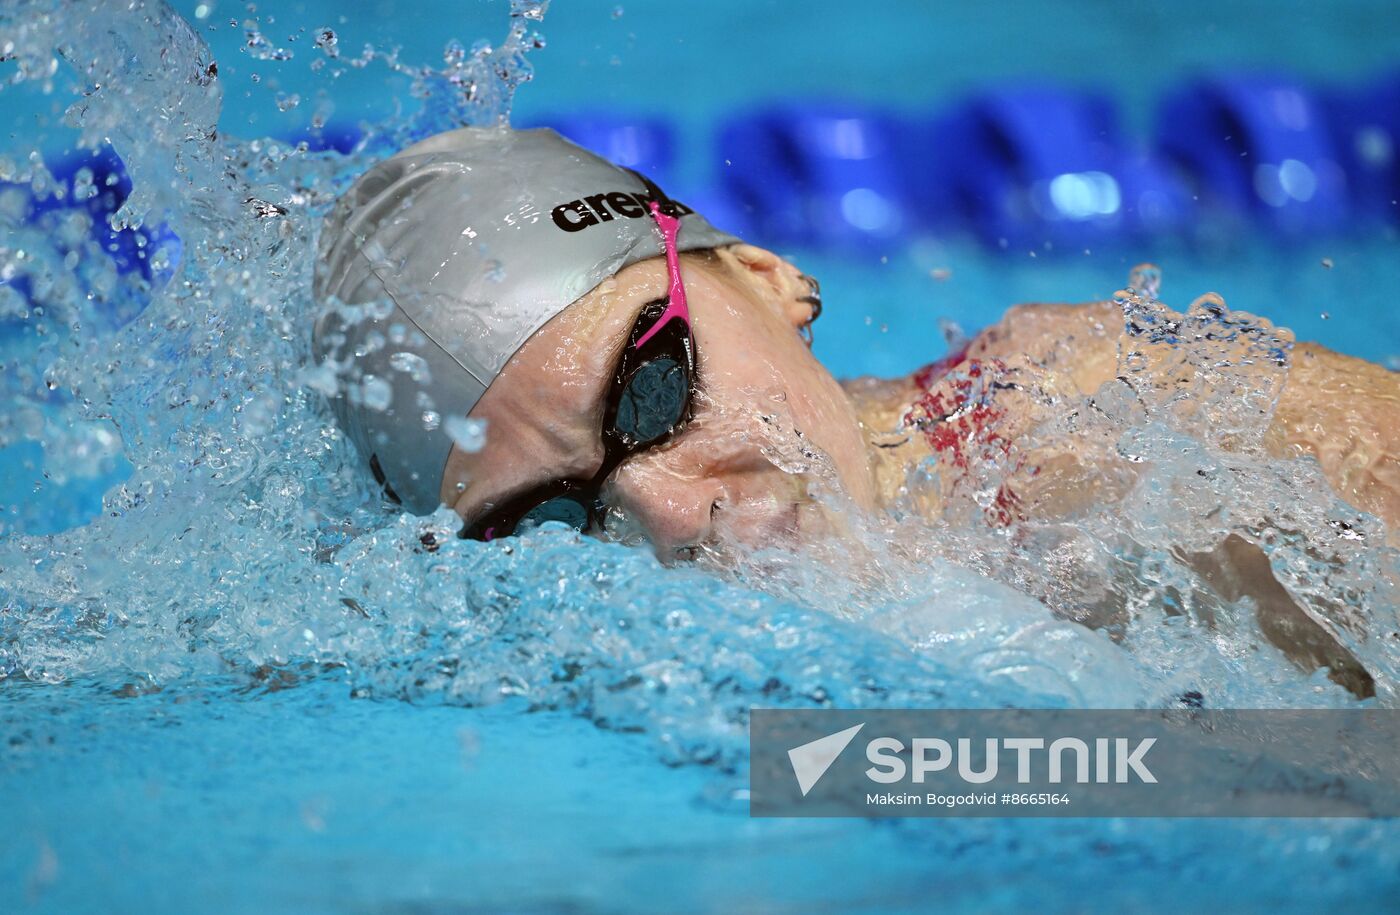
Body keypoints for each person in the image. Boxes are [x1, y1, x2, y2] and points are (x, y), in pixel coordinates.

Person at [314, 126, 1398, 693]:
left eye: (650, 389)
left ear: (767, 276)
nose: (670, 518)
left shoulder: (1101, 427)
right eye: (549, 517)